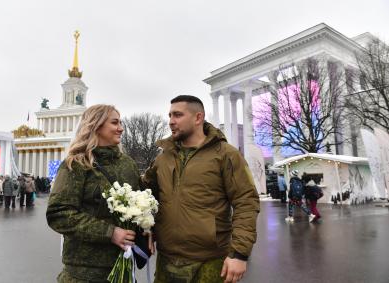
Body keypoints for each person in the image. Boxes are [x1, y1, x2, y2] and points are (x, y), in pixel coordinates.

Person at [143, 95, 260, 283]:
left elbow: (246, 202)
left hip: (209, 262)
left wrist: (239, 254)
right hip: (166, 261)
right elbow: (146, 196)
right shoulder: (163, 158)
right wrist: (145, 226)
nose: (171, 121)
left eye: (177, 115)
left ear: (198, 118)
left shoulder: (226, 154)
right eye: (170, 115)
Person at [46, 104, 143, 282]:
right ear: (96, 126)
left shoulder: (128, 164)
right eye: (115, 123)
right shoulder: (76, 164)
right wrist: (110, 233)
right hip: (84, 272)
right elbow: (58, 214)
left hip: (124, 268)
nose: (121, 128)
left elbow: (140, 205)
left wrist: (147, 228)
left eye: (120, 123)